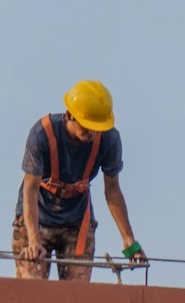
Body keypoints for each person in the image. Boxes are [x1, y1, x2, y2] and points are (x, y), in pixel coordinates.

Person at [14, 80, 145, 280]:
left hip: (76, 222)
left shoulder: (109, 140)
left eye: (97, 127)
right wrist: (33, 241)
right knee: (32, 291)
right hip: (37, 218)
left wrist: (129, 240)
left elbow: (113, 190)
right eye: (87, 125)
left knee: (76, 297)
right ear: (69, 116)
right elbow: (30, 190)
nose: (92, 132)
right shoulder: (42, 135)